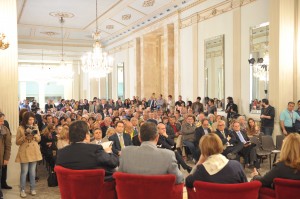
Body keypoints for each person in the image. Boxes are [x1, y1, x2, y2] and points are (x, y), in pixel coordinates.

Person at [118, 122, 184, 184]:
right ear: (157, 137)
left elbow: (119, 178)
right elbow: (179, 179)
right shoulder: (169, 155)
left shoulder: (125, 152)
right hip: (159, 194)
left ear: (139, 138)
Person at [15, 112, 42, 198]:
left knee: (32, 172)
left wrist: (35, 135)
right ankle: (22, 190)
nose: (31, 121)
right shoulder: (20, 128)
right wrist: (25, 136)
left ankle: (32, 188)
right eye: (30, 119)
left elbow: (39, 139)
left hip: (34, 150)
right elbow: (17, 142)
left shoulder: (36, 127)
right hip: (24, 151)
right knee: (24, 172)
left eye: (33, 119)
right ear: (26, 119)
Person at [0, 113, 12, 199]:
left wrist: (6, 158)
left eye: (3, 120)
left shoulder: (5, 130)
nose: (2, 122)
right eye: (0, 121)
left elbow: (8, 146)